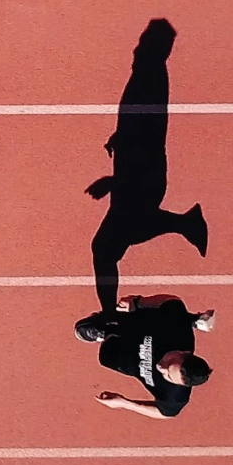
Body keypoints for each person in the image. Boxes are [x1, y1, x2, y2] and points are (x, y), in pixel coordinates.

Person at [87, 19, 210, 313]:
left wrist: (113, 182)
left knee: (104, 249)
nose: (136, 46)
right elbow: (139, 125)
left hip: (141, 180)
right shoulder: (147, 74)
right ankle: (186, 223)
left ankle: (109, 317)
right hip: (139, 175)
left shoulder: (150, 77)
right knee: (119, 238)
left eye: (143, 41)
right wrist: (118, 137)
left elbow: (145, 137)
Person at [76, 294, 216, 419]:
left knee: (105, 357)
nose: (161, 367)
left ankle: (108, 335)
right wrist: (137, 302)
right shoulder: (176, 330)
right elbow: (171, 301)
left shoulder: (175, 397)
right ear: (183, 352)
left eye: (167, 375)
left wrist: (125, 403)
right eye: (170, 362)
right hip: (147, 328)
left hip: (132, 363)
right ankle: (110, 326)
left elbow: (164, 413)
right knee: (124, 313)